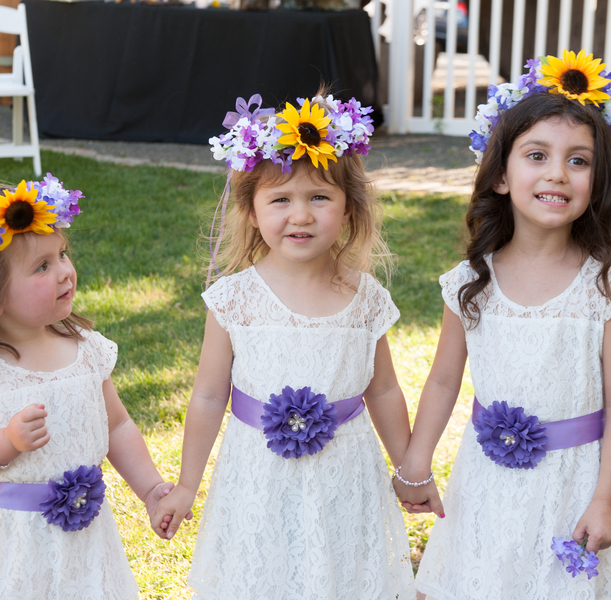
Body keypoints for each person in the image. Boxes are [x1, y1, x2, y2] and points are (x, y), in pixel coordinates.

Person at [396, 50, 611, 599]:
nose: (558, 172)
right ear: (502, 176)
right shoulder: (470, 282)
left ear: (597, 181)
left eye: (578, 161)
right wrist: (417, 459)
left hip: (573, 484)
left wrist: (605, 499)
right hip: (486, 481)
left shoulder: (606, 288)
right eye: (537, 155)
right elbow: (442, 380)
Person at [151, 92, 416, 599]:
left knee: (339, 573)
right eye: (280, 200)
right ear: (251, 211)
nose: (301, 215)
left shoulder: (366, 297)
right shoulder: (233, 299)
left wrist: (407, 470)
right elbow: (209, 396)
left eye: (319, 197)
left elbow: (382, 391)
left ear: (348, 208)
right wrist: (187, 483)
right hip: (258, 475)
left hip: (345, 473)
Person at [0, 176, 178, 599]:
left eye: (62, 254)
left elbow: (117, 427)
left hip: (85, 540)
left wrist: (152, 489)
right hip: (11, 547)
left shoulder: (86, 351)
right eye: (42, 267)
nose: (65, 271)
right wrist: (4, 442)